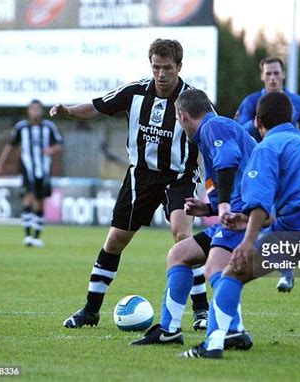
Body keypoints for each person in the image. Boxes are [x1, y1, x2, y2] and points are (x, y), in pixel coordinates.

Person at [181, 92, 300, 359]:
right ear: (291, 118)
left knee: (232, 274)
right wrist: (247, 221)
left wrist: (248, 241)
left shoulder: (268, 146)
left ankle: (213, 344)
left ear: (258, 122)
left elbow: (260, 201)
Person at [49, 39, 208, 330]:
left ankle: (201, 311)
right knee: (114, 241)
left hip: (179, 177)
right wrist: (68, 111)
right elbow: (97, 107)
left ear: (179, 67)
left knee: (182, 235)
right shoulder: (134, 92)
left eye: (167, 68)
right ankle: (90, 310)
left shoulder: (194, 99)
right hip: (141, 176)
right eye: (156, 67)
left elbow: (213, 135)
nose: (161, 74)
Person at [131, 89, 255, 350]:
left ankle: (234, 329)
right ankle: (169, 330)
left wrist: (221, 206)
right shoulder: (215, 129)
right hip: (237, 212)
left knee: (216, 269)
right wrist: (208, 208)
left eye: (177, 119)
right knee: (179, 254)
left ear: (182, 115)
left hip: (244, 215)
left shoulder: (213, 126)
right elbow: (239, 176)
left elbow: (229, 160)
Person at [235, 56, 300, 292]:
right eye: (268, 74)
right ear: (262, 76)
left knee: (279, 215)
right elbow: (239, 131)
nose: (272, 78)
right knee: (260, 214)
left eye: (276, 73)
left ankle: (285, 270)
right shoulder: (252, 101)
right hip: (257, 165)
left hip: (288, 169)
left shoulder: (299, 103)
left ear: (283, 74)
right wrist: (259, 122)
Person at [0, 99, 63, 248]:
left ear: (41, 111)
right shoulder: (21, 127)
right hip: (27, 169)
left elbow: (59, 144)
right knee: (28, 199)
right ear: (28, 111)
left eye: (38, 109)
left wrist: (51, 150)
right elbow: (10, 147)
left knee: (40, 201)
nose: (35, 111)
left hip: (44, 170)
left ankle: (36, 237)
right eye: (33, 109)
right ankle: (27, 235)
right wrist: (0, 166)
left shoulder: (49, 127)